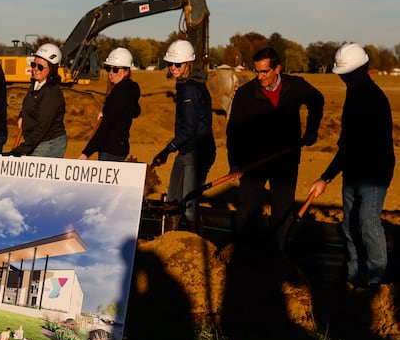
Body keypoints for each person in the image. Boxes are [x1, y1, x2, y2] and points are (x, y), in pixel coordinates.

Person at [306, 44, 394, 287]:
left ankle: (376, 283)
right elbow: (348, 145)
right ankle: (354, 280)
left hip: (374, 173)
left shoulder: (374, 100)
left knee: (367, 223)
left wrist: (326, 177)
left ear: (363, 69)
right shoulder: (354, 95)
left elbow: (354, 145)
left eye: (348, 74)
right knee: (349, 226)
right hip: (354, 170)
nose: (345, 79)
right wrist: (327, 177)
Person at [226, 47, 323, 253]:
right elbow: (234, 131)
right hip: (254, 162)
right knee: (247, 212)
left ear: (277, 69)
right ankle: (242, 255)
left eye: (264, 72)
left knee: (282, 212)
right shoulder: (245, 94)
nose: (259, 77)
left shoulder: (295, 87)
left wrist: (311, 130)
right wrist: (235, 163)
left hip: (285, 161)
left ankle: (277, 259)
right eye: (257, 71)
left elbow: (317, 100)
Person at [152, 40, 216, 233]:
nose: (173, 68)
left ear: (188, 64)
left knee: (189, 209)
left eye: (177, 64)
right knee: (172, 202)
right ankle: (171, 246)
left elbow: (189, 128)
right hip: (186, 149)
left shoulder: (189, 89)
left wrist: (166, 150)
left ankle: (197, 251)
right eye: (170, 64)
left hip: (197, 153)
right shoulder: (186, 85)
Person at [78, 47, 141, 162]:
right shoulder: (129, 91)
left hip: (110, 150)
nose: (111, 73)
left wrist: (86, 153)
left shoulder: (119, 94)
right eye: (108, 69)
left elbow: (106, 126)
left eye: (115, 69)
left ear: (126, 71)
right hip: (120, 148)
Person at [5, 43, 67, 158]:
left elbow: (43, 126)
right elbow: (28, 105)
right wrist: (22, 116)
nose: (35, 69)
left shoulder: (51, 93)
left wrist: (23, 149)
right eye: (34, 64)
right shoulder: (36, 84)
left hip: (49, 143)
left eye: (40, 67)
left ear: (52, 69)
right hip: (35, 140)